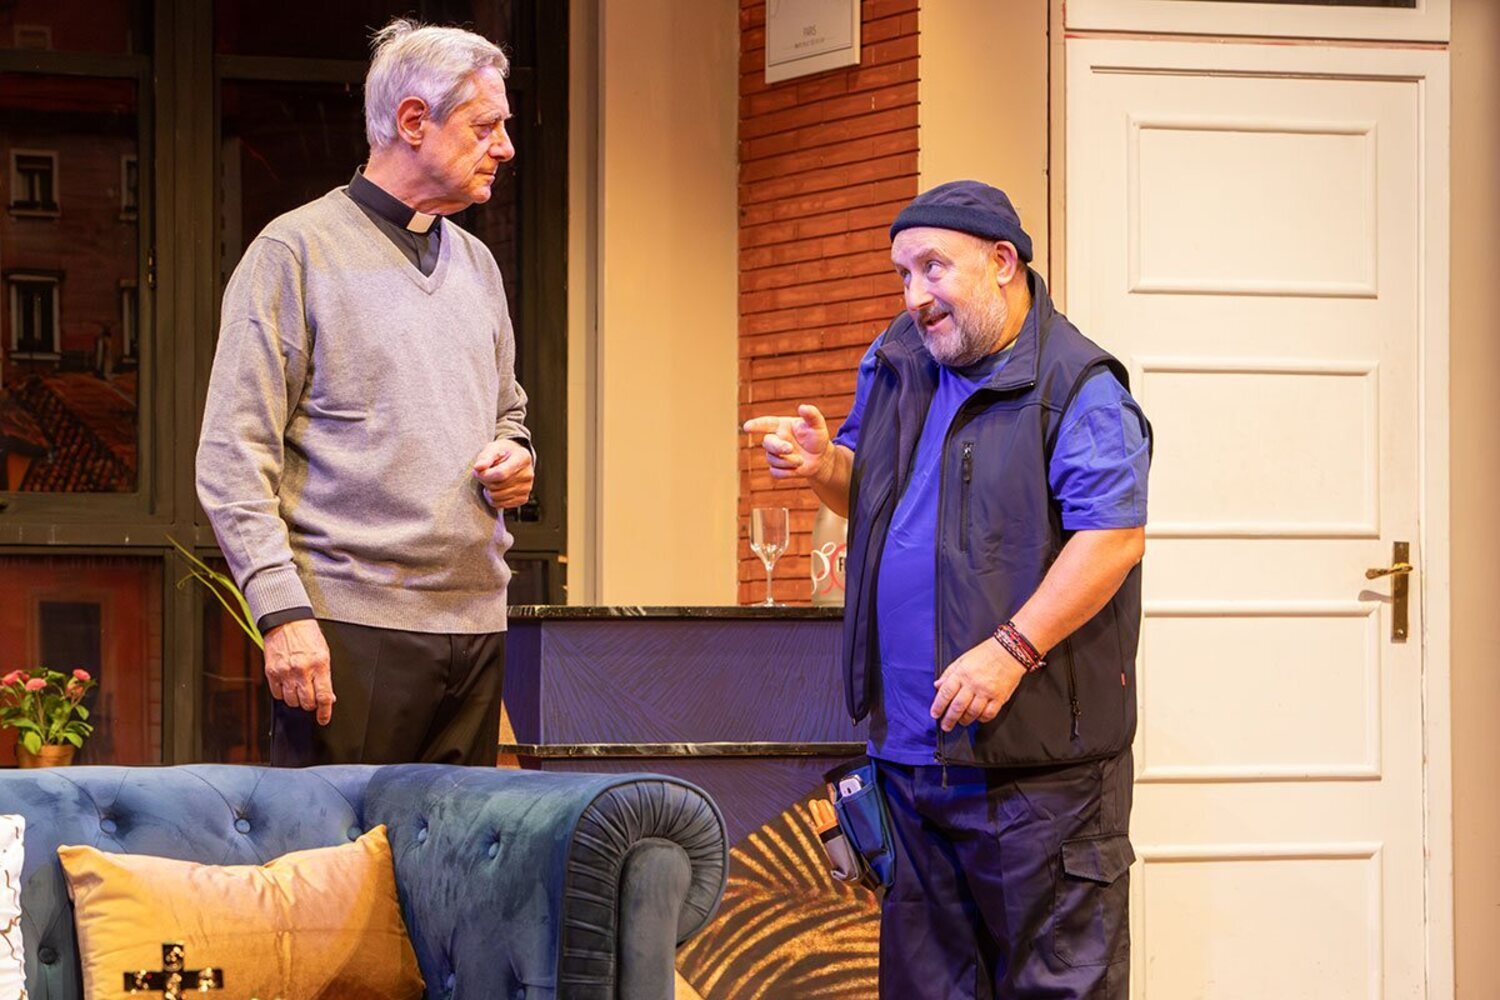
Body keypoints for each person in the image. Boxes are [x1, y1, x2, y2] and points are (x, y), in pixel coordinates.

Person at [744, 180, 1150, 998]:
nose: (914, 296)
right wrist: (825, 466)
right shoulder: (899, 360)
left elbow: (1112, 537)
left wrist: (1011, 650)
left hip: (1037, 778)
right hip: (910, 760)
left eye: (934, 268)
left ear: (1003, 262)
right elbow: (872, 493)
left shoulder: (1078, 385)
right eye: (903, 274)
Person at [197, 18, 533, 767]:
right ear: (413, 121)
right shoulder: (294, 252)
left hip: (476, 625)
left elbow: (507, 412)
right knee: (340, 848)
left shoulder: (478, 265)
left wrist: (516, 456)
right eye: (485, 127)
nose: (505, 147)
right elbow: (232, 455)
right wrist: (282, 613)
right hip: (345, 630)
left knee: (455, 849)